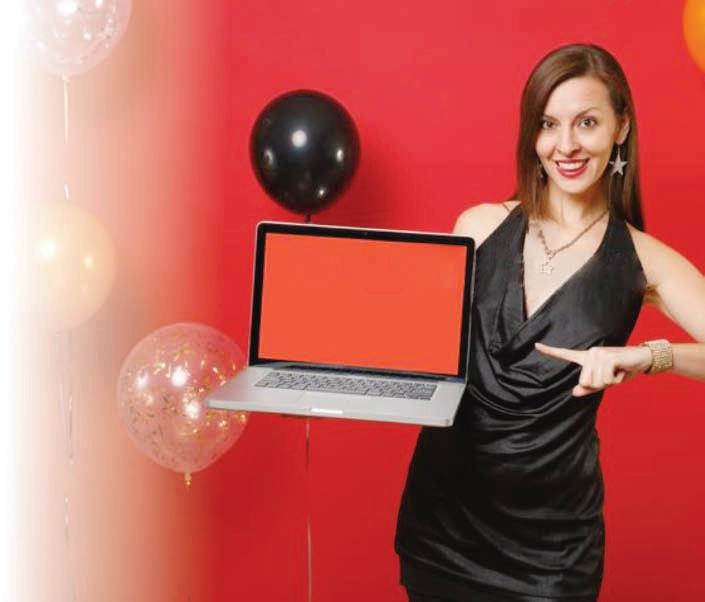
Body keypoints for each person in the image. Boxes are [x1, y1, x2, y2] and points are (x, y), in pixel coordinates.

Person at [394, 43, 705, 602]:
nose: (565, 146)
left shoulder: (643, 259)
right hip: (444, 526)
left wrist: (647, 356)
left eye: (586, 122)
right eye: (548, 124)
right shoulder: (478, 226)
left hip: (550, 553)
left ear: (620, 127)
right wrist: (334, 383)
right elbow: (420, 350)